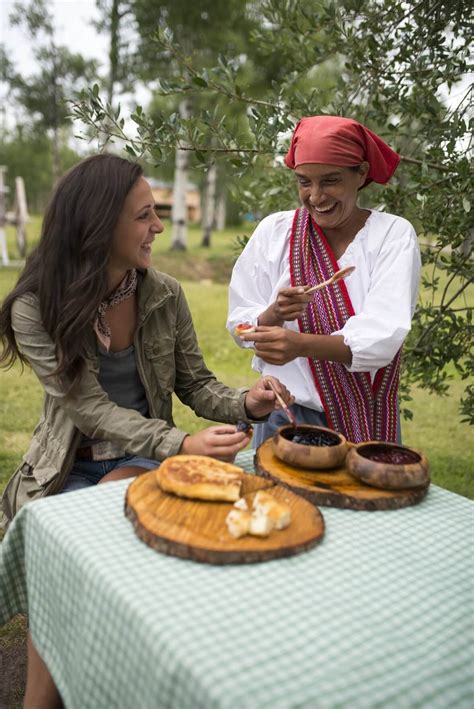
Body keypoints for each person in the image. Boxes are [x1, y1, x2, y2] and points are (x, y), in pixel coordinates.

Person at [0, 153, 293, 530]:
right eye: (143, 216)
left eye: (155, 213)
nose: (158, 226)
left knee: (113, 517)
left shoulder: (165, 294)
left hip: (140, 457)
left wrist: (246, 403)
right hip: (65, 469)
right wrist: (183, 445)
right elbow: (88, 408)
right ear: (98, 225)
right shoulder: (35, 307)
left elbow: (196, 384)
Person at [227, 115, 421, 446]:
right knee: (278, 500)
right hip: (283, 418)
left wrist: (299, 345)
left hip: (364, 420)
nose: (316, 197)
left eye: (330, 181)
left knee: (360, 497)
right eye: (304, 182)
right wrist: (275, 313)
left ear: (360, 173)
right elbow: (241, 326)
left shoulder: (392, 236)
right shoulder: (276, 233)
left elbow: (382, 338)